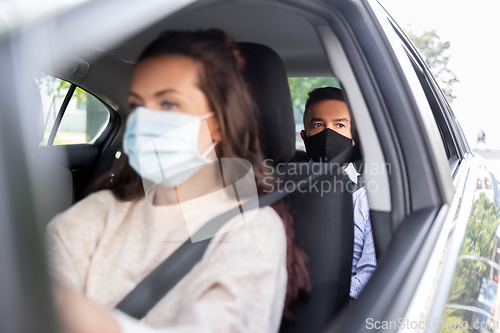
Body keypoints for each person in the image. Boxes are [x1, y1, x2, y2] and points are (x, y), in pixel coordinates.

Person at [46, 29, 309, 333]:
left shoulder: (251, 228)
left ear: (220, 124)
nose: (145, 120)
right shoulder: (100, 211)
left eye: (168, 104)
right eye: (137, 105)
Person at [300, 87, 376, 299]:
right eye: (318, 125)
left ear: (353, 137)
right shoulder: (282, 187)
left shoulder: (367, 197)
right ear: (304, 136)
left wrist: (324, 302)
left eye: (339, 125)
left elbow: (369, 270)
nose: (328, 134)